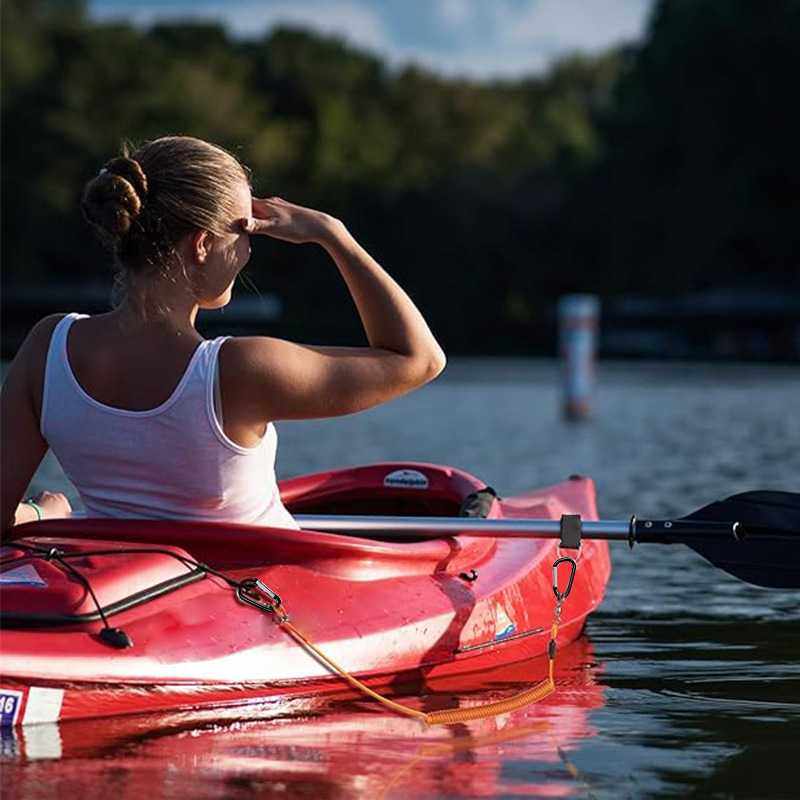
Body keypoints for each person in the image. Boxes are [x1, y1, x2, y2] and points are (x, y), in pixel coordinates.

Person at [1, 135, 446, 533]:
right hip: (257, 601)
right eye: (245, 230)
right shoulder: (239, 370)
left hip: (129, 596)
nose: (250, 249)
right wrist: (334, 236)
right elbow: (420, 359)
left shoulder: (48, 347)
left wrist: (42, 515)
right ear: (201, 245)